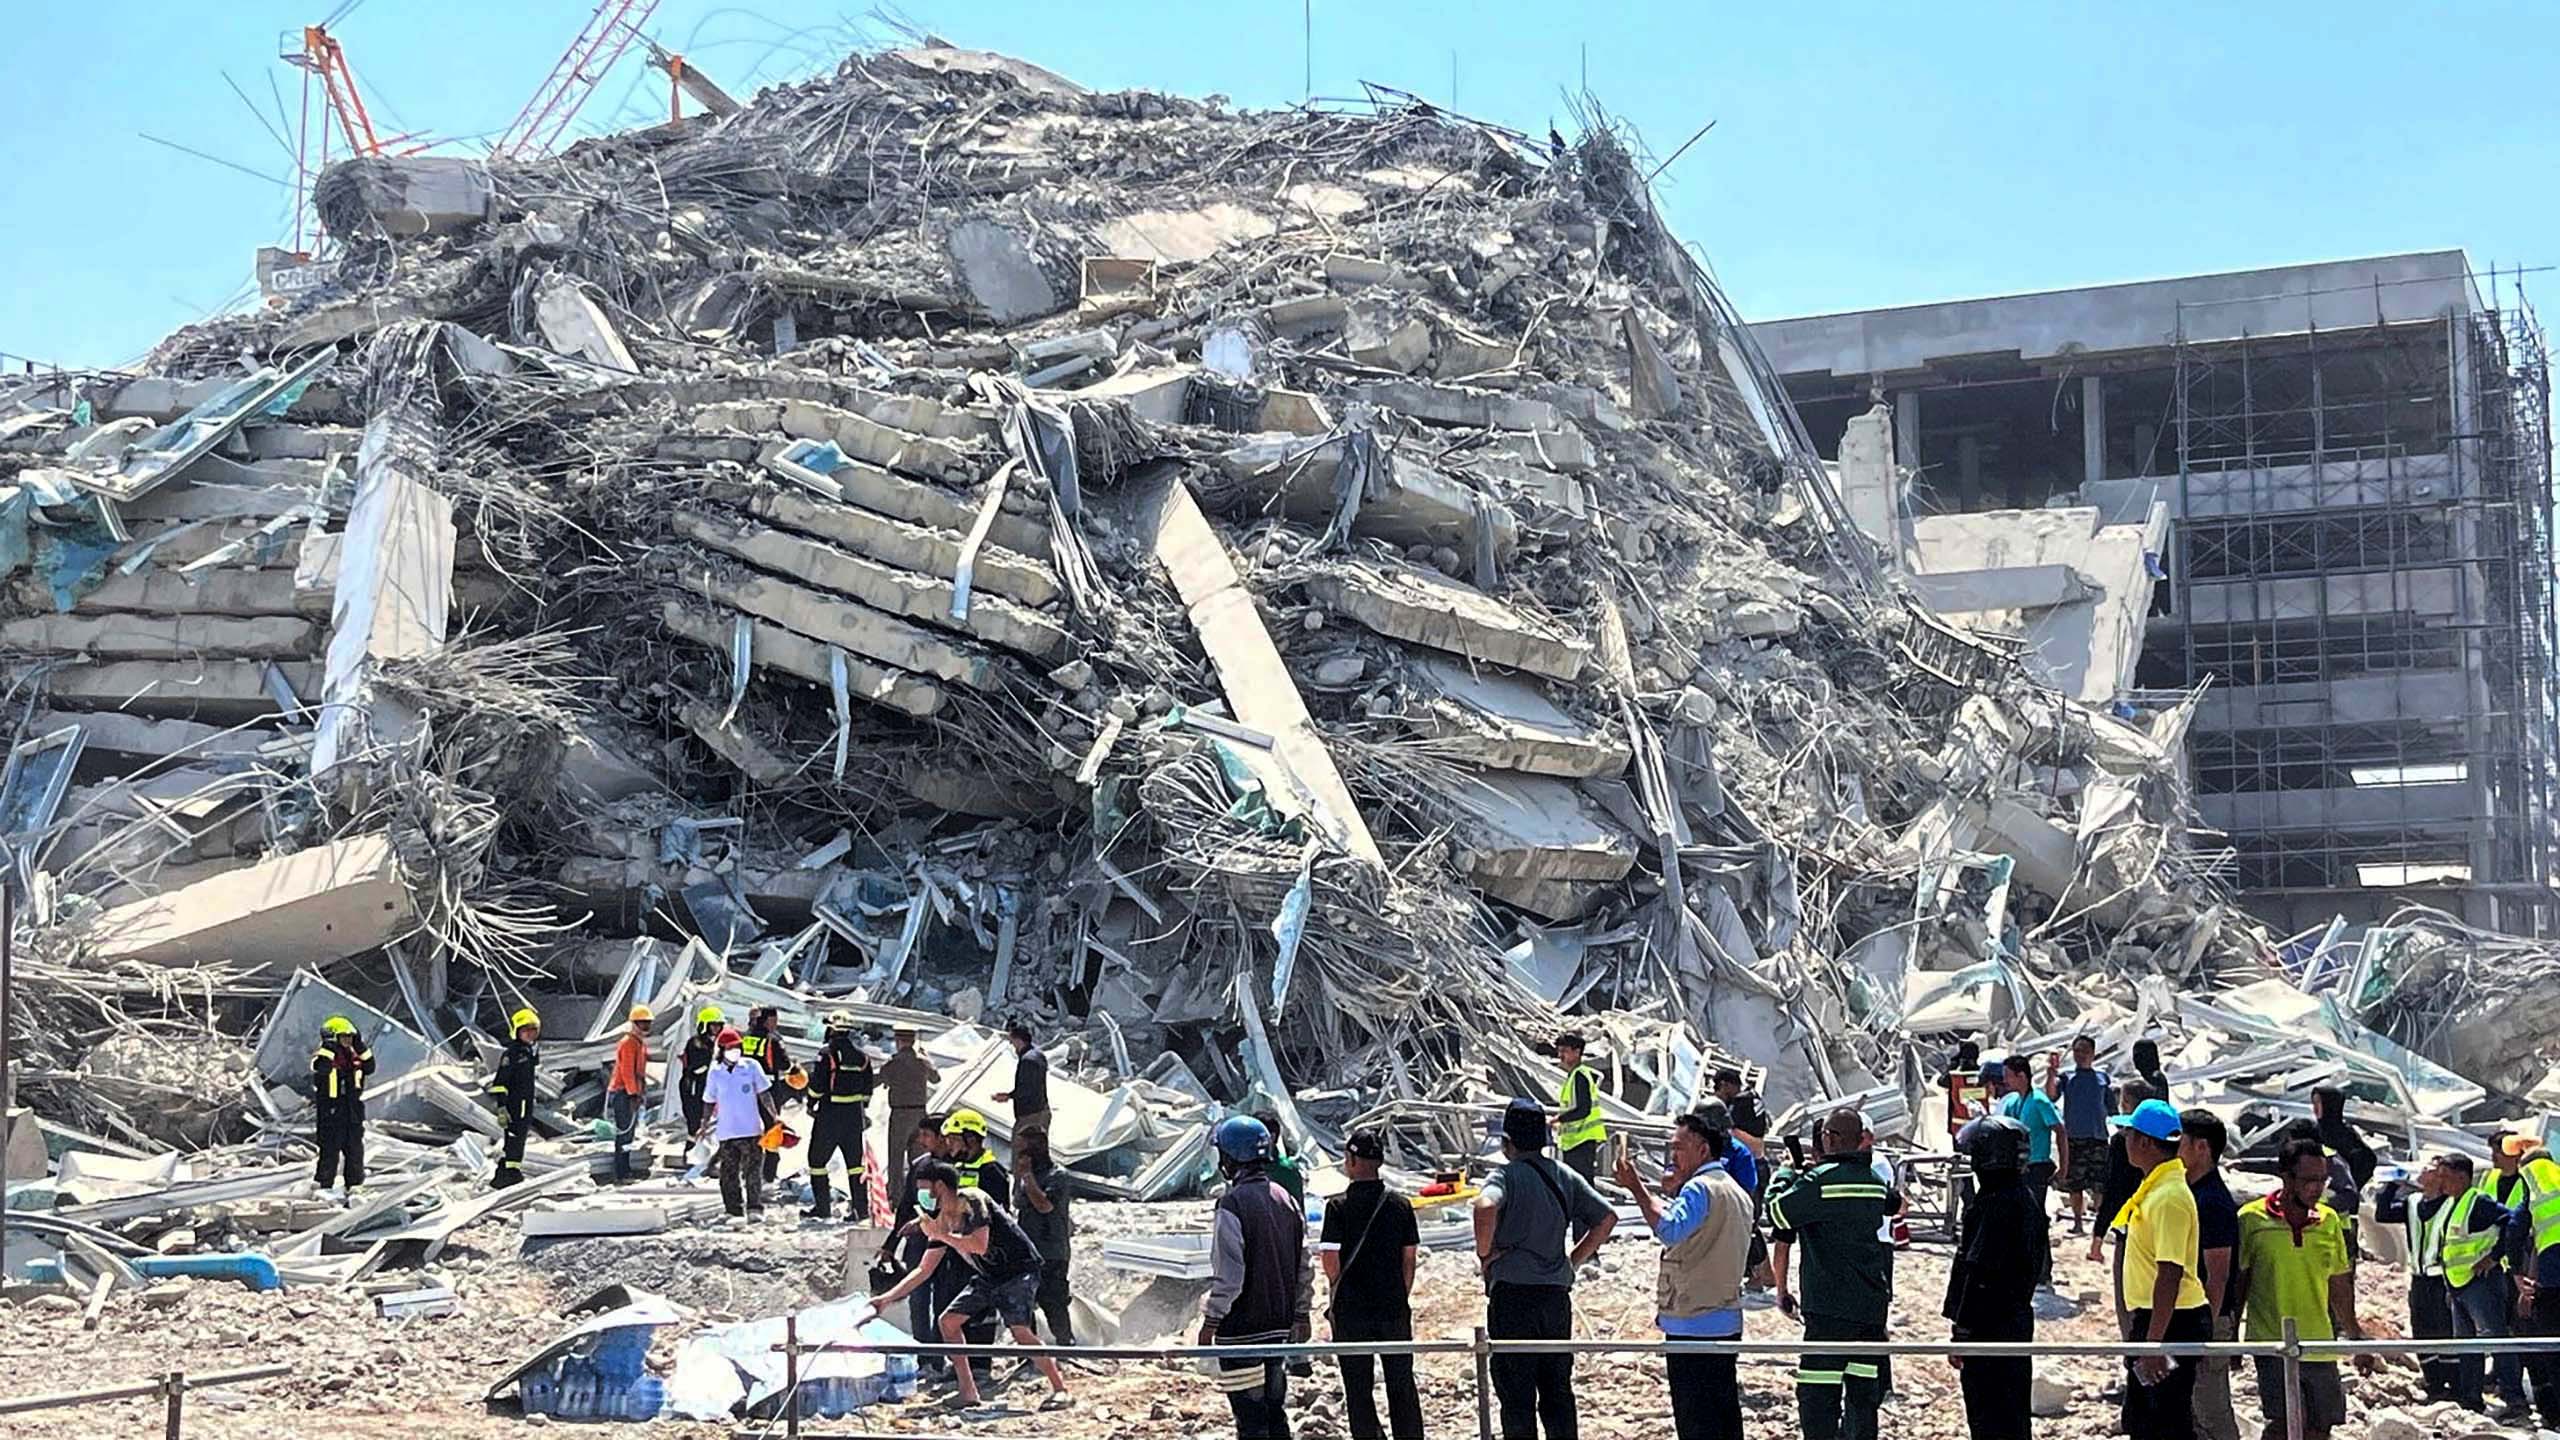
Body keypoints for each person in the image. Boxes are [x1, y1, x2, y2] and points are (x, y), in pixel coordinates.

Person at [869, 1157, 1072, 1412]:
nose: (921, 1196)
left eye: (924, 1189)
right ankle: (968, 1391)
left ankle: (1060, 1389)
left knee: (1020, 1331)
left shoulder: (973, 1200)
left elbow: (979, 1245)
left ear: (939, 1186)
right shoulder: (942, 1220)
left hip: (1018, 1271)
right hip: (988, 1276)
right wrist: (886, 1299)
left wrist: (941, 1235)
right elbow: (923, 1270)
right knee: (948, 1322)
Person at [1475, 1096, 1616, 1440]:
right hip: (1555, 1298)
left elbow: (1484, 1206)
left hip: (1513, 1298)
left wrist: (1485, 1253)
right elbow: (1607, 1218)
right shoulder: (1564, 1175)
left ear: (1507, 1142)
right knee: (1557, 1391)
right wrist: (1573, 1261)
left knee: (1516, 1396)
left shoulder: (1505, 1176)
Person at [1620, 1103, 1752, 1440]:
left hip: (1693, 1321)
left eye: (1679, 1148)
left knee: (1695, 1419)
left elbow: (1670, 1229)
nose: (1673, 1156)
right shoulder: (1736, 1191)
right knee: (1724, 1413)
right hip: (1725, 1317)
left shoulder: (1699, 1188)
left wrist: (1636, 1187)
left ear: (1703, 1150)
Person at [1768, 1107, 1900, 1440]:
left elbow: (1777, 1211)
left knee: (1818, 1399)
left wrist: (1785, 1174)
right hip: (1870, 1307)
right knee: (1862, 1399)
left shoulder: (1819, 1182)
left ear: (1829, 1139)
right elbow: (1893, 1203)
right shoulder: (1873, 1181)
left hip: (1829, 1308)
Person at [2235, 1136, 2372, 1440]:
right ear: (2286, 1176)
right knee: (2286, 1423)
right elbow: (2240, 1281)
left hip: (2319, 1341)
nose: (2317, 1188)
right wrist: (2231, 1337)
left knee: (2321, 1426)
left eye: (2323, 1180)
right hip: (2272, 1342)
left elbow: (2339, 1284)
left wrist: (2355, 1337)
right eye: (2310, 1180)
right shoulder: (2251, 1220)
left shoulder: (2328, 1221)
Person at [1201, 1115, 1312, 1440]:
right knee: (1275, 1414)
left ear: (1230, 1158)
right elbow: (1304, 1265)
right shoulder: (1285, 1198)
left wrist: (1211, 1320)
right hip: (1278, 1329)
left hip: (1241, 1333)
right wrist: (1301, 1312)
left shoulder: (1232, 1204)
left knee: (1251, 1421)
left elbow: (1230, 1275)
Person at [2112, 1098, 2213, 1440]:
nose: (2124, 1140)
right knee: (2143, 1418)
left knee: (2165, 1419)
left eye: (2129, 1134)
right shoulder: (2156, 1187)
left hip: (2173, 1321)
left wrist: (2154, 1344)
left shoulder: (2169, 1196)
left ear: (2144, 1142)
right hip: (2159, 1318)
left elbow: (2170, 1272)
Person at [2378, 1152, 2511, 1410]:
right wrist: (2392, 1184)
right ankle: (2436, 1385)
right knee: (2424, 1331)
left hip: (2447, 1278)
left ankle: (2461, 1388)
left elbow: (2508, 1220)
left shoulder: (2454, 1204)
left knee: (2456, 1333)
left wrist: (2494, 1256)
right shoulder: (2414, 1202)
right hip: (2421, 1277)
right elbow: (2383, 1214)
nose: (2425, 1171)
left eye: (2436, 1171)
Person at [1944, 1115, 2042, 1440]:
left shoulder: (1996, 1205)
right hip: (2014, 1321)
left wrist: (1962, 1330)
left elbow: (1980, 1274)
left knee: (1989, 1415)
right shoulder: (2023, 1198)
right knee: (2012, 1415)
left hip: (1989, 1326)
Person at [1324, 1127, 1423, 1440]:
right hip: (1392, 1305)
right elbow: (1409, 1258)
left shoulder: (1337, 1206)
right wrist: (1400, 1294)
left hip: (1351, 1309)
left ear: (1352, 1160)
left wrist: (1338, 1288)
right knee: (1401, 1382)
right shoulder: (1400, 1204)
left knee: (1357, 1387)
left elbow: (1330, 1258)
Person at [2177, 1110, 2244, 1440]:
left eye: (2180, 1141)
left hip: (2208, 1322)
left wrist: (2204, 1329)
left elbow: (2218, 1275)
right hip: (2192, 1318)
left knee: (2211, 1412)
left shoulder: (2212, 1201)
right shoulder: (2191, 1192)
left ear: (2201, 1147)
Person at [2497, 1132, 2560, 1431]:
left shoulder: (2532, 1180)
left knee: (2553, 1347)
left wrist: (2516, 1273)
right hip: (2550, 1273)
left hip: (2553, 1278)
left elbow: (2515, 1228)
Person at [1998, 1054, 2066, 1287]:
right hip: (2018, 1167)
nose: (2005, 1080)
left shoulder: (2039, 1101)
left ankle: (2043, 1271)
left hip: (2037, 1166)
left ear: (2021, 1076)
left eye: (2008, 1075)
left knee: (2035, 1218)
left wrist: (2064, 1166)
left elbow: (2060, 1130)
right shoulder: (2013, 1101)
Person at [799, 1011, 874, 1221]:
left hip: (829, 1116)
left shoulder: (826, 1054)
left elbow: (818, 1084)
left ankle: (823, 1208)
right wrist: (862, 1108)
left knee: (817, 1161)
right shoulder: (862, 1057)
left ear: (832, 1029)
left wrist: (811, 1103)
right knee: (855, 1165)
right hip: (854, 1118)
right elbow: (868, 1088)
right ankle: (860, 1209)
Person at [2480, 1133, 2534, 1418]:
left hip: (2520, 1265)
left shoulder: (2529, 1181)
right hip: (2495, 1266)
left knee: (2519, 1325)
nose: (2493, 1157)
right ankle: (2502, 1377)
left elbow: (2519, 1227)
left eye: (2498, 1152)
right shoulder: (2490, 1178)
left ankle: (2517, 1387)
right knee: (2499, 1326)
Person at [697, 1026, 773, 1219]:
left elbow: (764, 1094)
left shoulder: (751, 1067)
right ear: (722, 1050)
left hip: (751, 1129)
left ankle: (754, 1208)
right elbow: (709, 1100)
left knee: (752, 1172)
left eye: (737, 1046)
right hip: (727, 1132)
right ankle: (733, 1210)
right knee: (728, 1174)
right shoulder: (715, 1072)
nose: (735, 1050)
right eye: (730, 1047)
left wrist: (775, 1116)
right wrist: (704, 1124)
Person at [1014, 1126, 1076, 1347]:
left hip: (1051, 1251)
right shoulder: (1025, 1176)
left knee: (1054, 1302)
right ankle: (1030, 1351)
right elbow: (1018, 1203)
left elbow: (1044, 1205)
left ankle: (1065, 1346)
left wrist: (1028, 1177)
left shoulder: (1058, 1176)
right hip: (1027, 1249)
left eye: (1026, 1145)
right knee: (1024, 1303)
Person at [2052, 1035, 2113, 1237]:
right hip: (2074, 1138)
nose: (2080, 1055)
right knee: (2074, 1184)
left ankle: (2100, 1225)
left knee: (2099, 1185)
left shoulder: (2103, 1079)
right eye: (2077, 1051)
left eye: (2085, 1051)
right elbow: (2051, 1096)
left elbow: (2112, 1107)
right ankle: (2078, 1222)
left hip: (2098, 1138)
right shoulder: (2066, 1077)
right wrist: (2051, 1074)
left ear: (2093, 1053)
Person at [2089, 1079, 2152, 1264]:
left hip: (2129, 1222)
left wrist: (2098, 1234)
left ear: (2125, 1103)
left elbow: (2114, 1189)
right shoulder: (2166, 1139)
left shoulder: (2122, 1140)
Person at [311, 1015, 375, 1192]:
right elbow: (322, 1068)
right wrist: (329, 1047)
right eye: (344, 1036)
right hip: (331, 1112)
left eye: (351, 1037)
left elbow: (370, 1067)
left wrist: (361, 1046)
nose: (348, 1040)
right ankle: (324, 1187)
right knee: (330, 1152)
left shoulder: (354, 1057)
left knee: (355, 1151)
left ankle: (354, 1186)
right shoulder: (322, 1057)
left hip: (352, 1111)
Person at [879, 1024, 939, 1202]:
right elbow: (936, 1078)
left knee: (896, 1159)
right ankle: (918, 1196)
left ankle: (896, 1198)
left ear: (898, 1041)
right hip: (920, 1115)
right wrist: (928, 1059)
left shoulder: (894, 1063)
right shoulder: (922, 1062)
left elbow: (879, 1080)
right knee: (919, 1159)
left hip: (900, 1114)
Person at [488, 1007, 541, 1189]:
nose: (530, 1034)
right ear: (517, 1031)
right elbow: (500, 1083)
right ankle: (507, 1175)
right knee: (514, 1139)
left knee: (520, 1139)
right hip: (514, 1105)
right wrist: (502, 1107)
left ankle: (512, 1172)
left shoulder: (528, 1051)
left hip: (526, 1103)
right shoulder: (511, 1054)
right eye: (526, 1030)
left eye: (533, 1030)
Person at [742, 1007, 791, 1190]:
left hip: (747, 1088)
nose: (776, 1024)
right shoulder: (773, 1039)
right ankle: (769, 1173)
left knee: (750, 1129)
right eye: (773, 1020)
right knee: (773, 1129)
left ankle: (748, 1170)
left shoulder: (747, 1037)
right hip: (769, 1088)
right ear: (766, 1020)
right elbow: (784, 1064)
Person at [1553, 1034, 1607, 1187]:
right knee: (1576, 1186)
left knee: (1580, 1186)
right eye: (1559, 1051)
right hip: (1575, 1142)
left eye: (1564, 1051)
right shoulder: (1574, 1075)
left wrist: (1559, 1119)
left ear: (1577, 1052)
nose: (1560, 1055)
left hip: (1581, 1142)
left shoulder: (1579, 1076)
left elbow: (1583, 1109)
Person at [606, 1004, 651, 1183]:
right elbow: (627, 1072)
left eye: (647, 1023)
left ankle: (625, 1169)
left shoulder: (639, 1043)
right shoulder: (628, 1043)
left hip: (630, 1092)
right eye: (642, 1023)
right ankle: (621, 1172)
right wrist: (633, 1094)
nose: (645, 1026)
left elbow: (638, 1072)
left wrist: (640, 1091)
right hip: (623, 1093)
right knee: (624, 1134)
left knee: (628, 1134)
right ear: (634, 1024)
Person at [993, 1022, 1052, 1137]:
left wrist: (1008, 1096)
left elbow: (1027, 1090)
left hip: (1030, 1117)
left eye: (1012, 1042)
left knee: (1022, 1147)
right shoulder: (1038, 1054)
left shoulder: (1028, 1061)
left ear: (1019, 1041)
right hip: (1041, 1112)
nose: (1012, 1046)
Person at [943, 1108, 1009, 1207]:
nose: (949, 1144)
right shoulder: (958, 1166)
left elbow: (995, 1211)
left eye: (954, 1139)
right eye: (948, 1139)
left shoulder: (991, 1171)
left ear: (971, 1140)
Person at [678, 1005, 723, 1137]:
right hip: (694, 1087)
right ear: (705, 1025)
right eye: (713, 1025)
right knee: (695, 1123)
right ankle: (692, 1146)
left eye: (719, 1025)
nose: (716, 1028)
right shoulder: (696, 1043)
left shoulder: (716, 1044)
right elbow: (698, 1067)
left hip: (707, 1087)